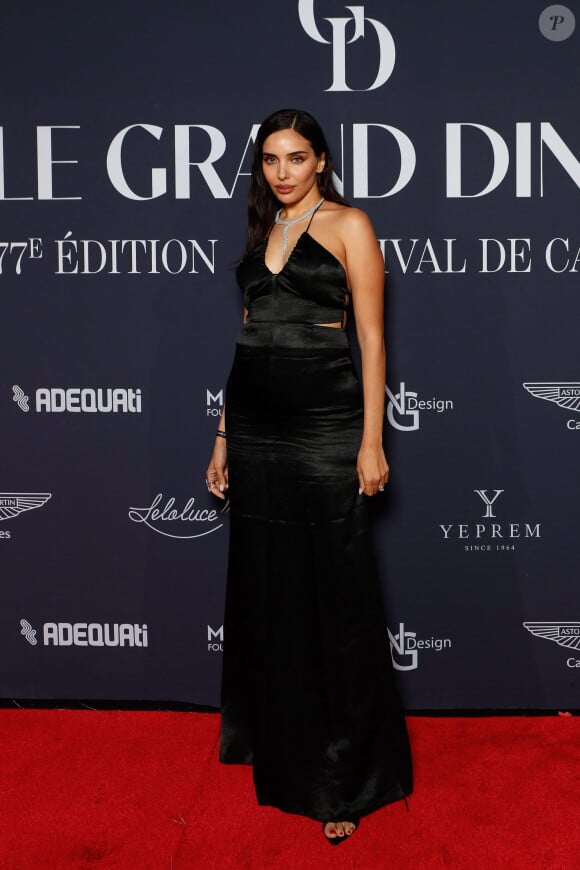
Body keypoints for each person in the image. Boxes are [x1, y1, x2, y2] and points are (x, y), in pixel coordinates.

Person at [205, 108, 412, 845]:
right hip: (256, 430)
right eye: (270, 160)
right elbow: (247, 342)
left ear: (321, 161)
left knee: (336, 595)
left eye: (296, 158)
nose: (283, 172)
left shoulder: (351, 225)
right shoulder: (266, 231)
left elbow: (372, 339)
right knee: (271, 586)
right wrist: (224, 438)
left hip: (325, 425)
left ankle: (344, 777)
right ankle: (277, 742)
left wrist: (371, 441)